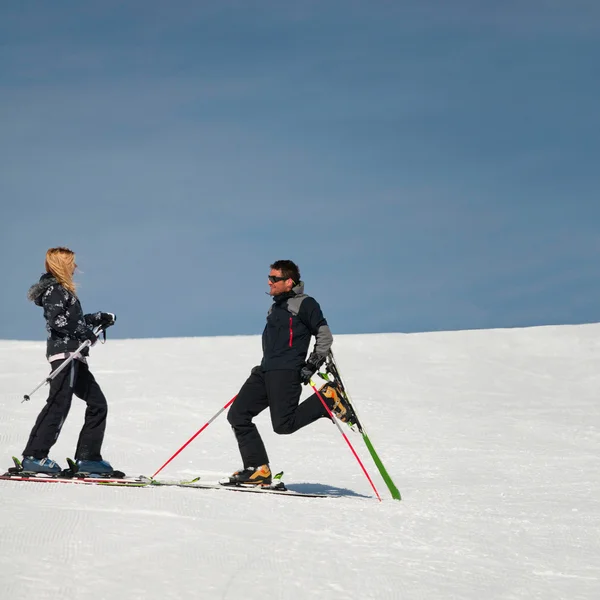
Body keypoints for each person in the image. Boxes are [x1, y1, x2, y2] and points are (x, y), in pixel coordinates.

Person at [225, 259, 349, 486]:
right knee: (238, 415)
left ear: (289, 282)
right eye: (269, 277)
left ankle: (328, 398)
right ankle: (258, 469)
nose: (269, 282)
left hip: (286, 371)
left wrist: (312, 364)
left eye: (275, 278)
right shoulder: (275, 308)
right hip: (265, 371)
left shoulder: (305, 303)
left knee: (283, 425)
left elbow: (324, 335)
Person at [22, 247, 117, 475]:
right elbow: (58, 321)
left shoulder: (62, 291)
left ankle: (88, 458)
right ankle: (35, 456)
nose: (75, 267)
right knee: (58, 403)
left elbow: (70, 320)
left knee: (97, 403)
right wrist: (84, 332)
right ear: (62, 264)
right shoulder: (54, 290)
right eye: (72, 263)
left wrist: (95, 319)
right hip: (66, 355)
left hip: (76, 356)